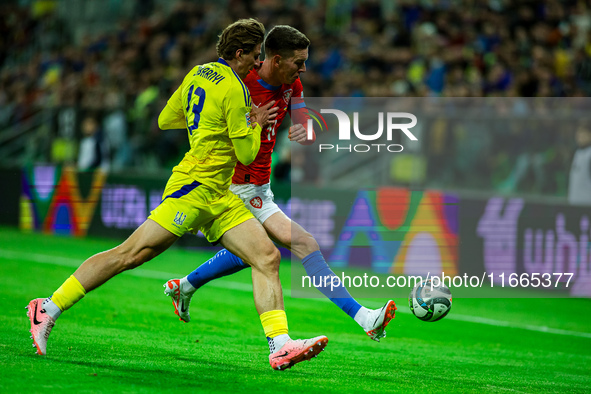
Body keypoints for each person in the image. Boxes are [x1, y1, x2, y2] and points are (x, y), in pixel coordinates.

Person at [26, 19, 327, 372]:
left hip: (219, 193)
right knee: (130, 255)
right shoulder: (236, 89)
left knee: (266, 256)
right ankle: (47, 307)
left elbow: (166, 120)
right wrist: (254, 122)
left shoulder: (198, 73)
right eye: (255, 55)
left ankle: (280, 345)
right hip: (194, 188)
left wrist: (208, 126)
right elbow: (247, 154)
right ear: (240, 53)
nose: (258, 63)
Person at [163, 25, 397, 342]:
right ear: (275, 59)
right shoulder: (240, 82)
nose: (303, 69)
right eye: (298, 62)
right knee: (302, 244)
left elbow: (302, 121)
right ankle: (362, 318)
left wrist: (305, 130)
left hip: (261, 187)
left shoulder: (293, 84)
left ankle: (185, 285)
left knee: (256, 253)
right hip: (232, 186)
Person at [568, 121, 591, 206]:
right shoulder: (578, 153)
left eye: (583, 132)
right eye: (578, 132)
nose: (579, 136)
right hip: (575, 204)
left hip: (587, 206)